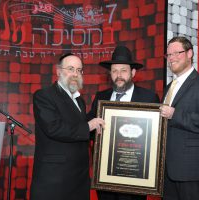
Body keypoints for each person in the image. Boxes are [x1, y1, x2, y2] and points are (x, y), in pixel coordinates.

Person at [88, 45, 160, 200]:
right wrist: (93, 126)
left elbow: (155, 138)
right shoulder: (101, 97)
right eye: (114, 71)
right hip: (105, 176)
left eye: (123, 70)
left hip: (135, 176)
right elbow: (88, 128)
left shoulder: (149, 98)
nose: (118, 75)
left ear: (133, 73)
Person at [30, 53, 105, 200]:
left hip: (79, 180)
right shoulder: (44, 96)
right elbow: (54, 128)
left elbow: (79, 131)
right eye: (70, 69)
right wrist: (89, 126)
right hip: (55, 181)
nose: (75, 74)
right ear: (58, 71)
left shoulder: (80, 101)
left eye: (79, 70)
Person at [160, 36, 199, 200]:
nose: (172, 58)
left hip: (193, 171)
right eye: (169, 55)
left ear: (190, 53)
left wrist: (175, 114)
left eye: (177, 53)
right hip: (166, 172)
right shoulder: (169, 87)